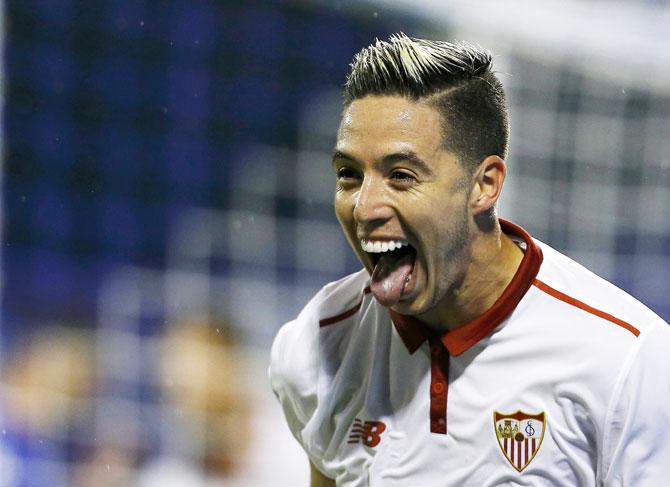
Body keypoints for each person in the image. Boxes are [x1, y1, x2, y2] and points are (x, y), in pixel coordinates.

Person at [269, 33, 670, 486]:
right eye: (350, 175)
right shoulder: (318, 343)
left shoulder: (627, 363)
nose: (364, 207)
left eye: (401, 176)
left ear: (485, 185)